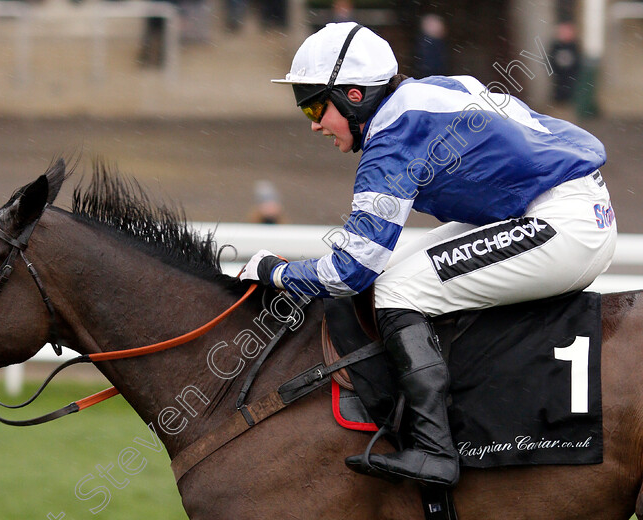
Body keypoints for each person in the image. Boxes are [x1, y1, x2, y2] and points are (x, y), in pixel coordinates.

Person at [239, 22, 616, 487]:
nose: (315, 123)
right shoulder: (423, 96)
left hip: (565, 222)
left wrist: (274, 272)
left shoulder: (395, 139)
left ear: (355, 95)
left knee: (397, 287)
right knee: (396, 276)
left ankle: (433, 450)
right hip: (560, 205)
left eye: (316, 105)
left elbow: (348, 271)